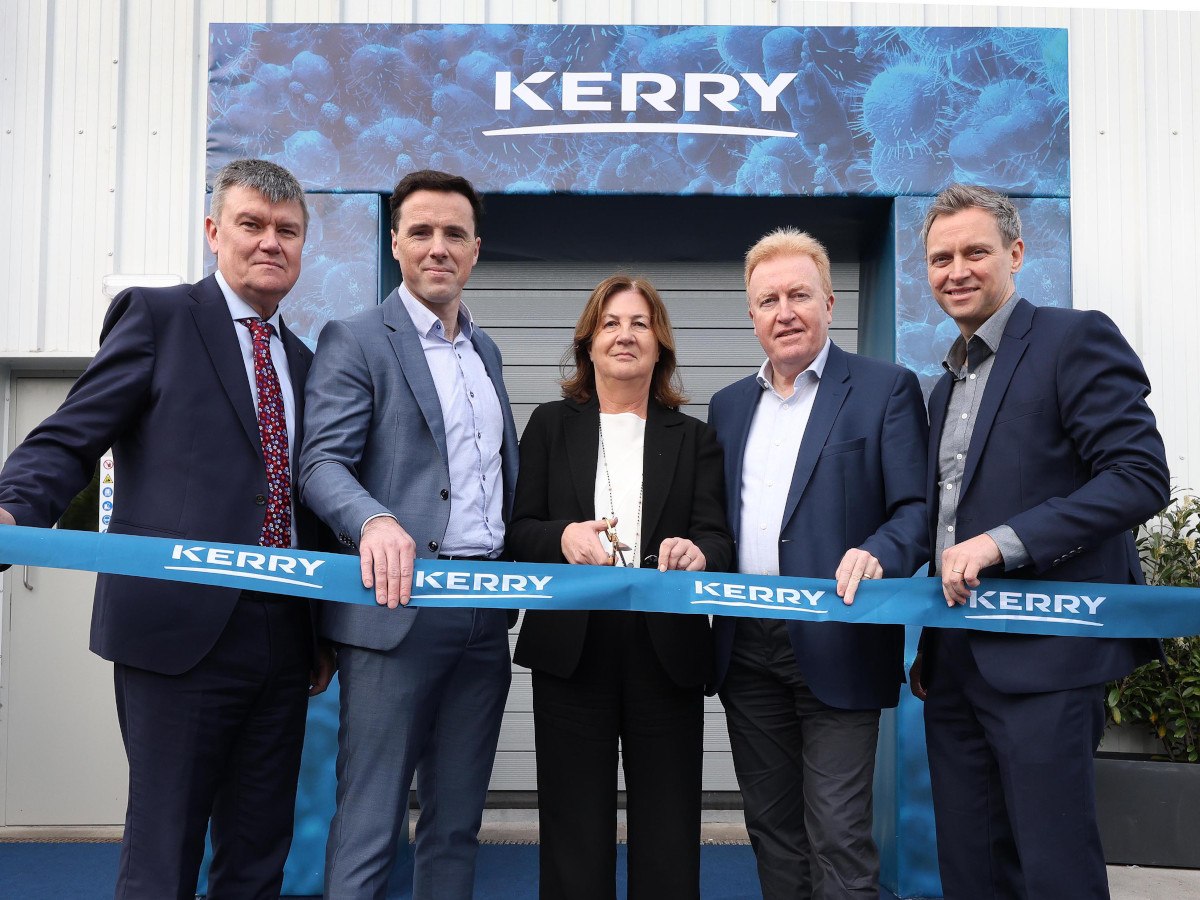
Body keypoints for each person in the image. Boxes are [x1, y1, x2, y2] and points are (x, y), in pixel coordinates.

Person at [0, 158, 334, 898]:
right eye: (251, 225)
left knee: (258, 856)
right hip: (177, 631)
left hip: (282, 640)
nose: (269, 243)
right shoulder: (157, 317)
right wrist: (13, 511)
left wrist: (324, 632)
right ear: (215, 232)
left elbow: (311, 499)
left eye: (287, 230)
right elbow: (70, 437)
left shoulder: (309, 364)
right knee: (164, 850)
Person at [911, 183, 1171, 899]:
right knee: (971, 868)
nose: (955, 270)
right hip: (956, 659)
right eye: (940, 258)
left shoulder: (1072, 337)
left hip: (1047, 656)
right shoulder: (944, 386)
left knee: (1054, 870)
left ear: (1016, 254)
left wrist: (1004, 542)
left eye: (974, 252)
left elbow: (1139, 476)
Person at [298, 169, 519, 900]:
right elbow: (322, 461)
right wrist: (374, 519)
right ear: (394, 242)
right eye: (420, 231)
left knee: (456, 827)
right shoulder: (356, 338)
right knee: (370, 821)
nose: (437, 247)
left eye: (454, 233)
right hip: (394, 611)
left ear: (477, 249)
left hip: (484, 618)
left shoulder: (486, 355)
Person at [707, 228, 929, 899]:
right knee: (772, 826)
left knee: (837, 830)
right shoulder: (727, 407)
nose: (785, 311)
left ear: (829, 303)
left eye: (799, 294)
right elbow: (720, 523)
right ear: (751, 316)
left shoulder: (885, 389)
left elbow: (916, 510)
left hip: (839, 637)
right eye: (769, 300)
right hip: (747, 647)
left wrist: (877, 552)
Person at [507, 274, 733, 900]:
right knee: (572, 826)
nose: (625, 335)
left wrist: (697, 552)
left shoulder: (694, 438)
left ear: (660, 345)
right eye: (610, 323)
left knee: (668, 826)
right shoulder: (550, 426)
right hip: (571, 652)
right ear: (588, 343)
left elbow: (718, 539)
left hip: (666, 654)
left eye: (640, 323)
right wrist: (562, 539)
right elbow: (517, 533)